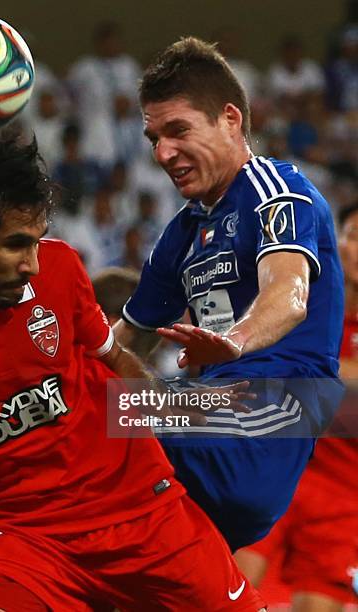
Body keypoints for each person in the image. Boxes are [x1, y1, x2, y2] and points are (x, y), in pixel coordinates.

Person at [0, 134, 265, 611]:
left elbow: (115, 361)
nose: (32, 263)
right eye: (15, 245)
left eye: (37, 240)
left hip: (140, 510)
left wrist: (192, 412)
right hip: (21, 535)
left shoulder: (59, 267)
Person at [113, 37, 345, 552]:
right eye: (153, 138)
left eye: (177, 131)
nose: (163, 153)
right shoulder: (181, 232)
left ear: (231, 120)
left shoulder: (276, 190)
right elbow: (123, 339)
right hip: (213, 417)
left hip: (274, 408)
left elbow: (289, 292)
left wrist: (235, 341)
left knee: (109, 420)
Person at [234, 203, 358, 611]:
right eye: (352, 236)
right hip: (277, 469)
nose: (354, 249)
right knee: (221, 589)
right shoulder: (299, 303)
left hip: (341, 496)